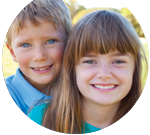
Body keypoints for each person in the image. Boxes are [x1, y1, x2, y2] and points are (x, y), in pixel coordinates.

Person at [19, 10, 150, 135]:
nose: (104, 74)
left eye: (119, 61)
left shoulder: (147, 120)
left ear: (134, 69)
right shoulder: (42, 120)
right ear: (72, 69)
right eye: (89, 61)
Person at [0, 0, 71, 135]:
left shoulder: (81, 84)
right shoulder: (6, 98)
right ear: (12, 52)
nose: (39, 56)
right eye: (25, 45)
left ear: (70, 42)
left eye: (50, 41)